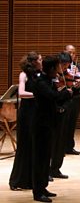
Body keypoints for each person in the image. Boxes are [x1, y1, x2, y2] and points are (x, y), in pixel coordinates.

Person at [31, 55, 72, 202]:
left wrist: (69, 93)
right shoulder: (41, 82)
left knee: (46, 157)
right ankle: (37, 192)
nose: (59, 70)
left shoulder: (48, 80)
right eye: (57, 67)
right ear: (51, 68)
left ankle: (43, 187)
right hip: (41, 125)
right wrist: (66, 93)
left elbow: (57, 97)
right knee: (40, 159)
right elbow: (53, 96)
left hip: (48, 124)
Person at [9, 52, 42, 191]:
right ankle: (16, 180)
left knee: (33, 147)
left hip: (35, 112)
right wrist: (37, 94)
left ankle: (29, 180)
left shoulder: (38, 75)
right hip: (26, 113)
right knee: (24, 147)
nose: (42, 61)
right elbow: (21, 93)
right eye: (40, 59)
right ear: (34, 62)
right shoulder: (24, 75)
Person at [63, 45, 80, 155]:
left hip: (75, 98)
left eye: (74, 53)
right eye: (70, 52)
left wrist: (78, 79)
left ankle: (70, 146)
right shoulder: (61, 67)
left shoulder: (77, 66)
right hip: (64, 98)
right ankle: (61, 147)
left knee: (72, 123)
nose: (72, 55)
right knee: (64, 124)